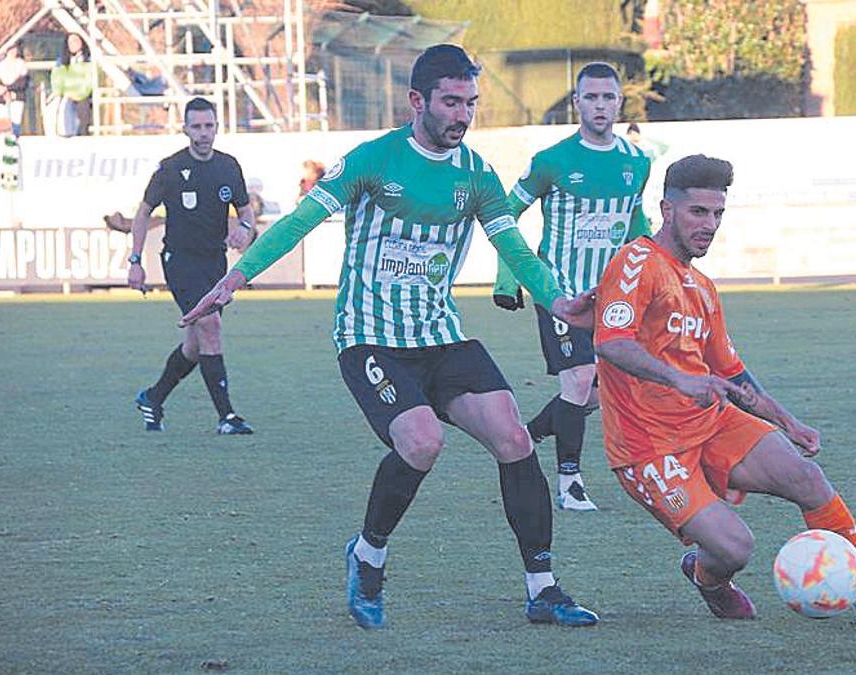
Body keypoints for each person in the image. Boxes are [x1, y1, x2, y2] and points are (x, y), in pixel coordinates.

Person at [177, 44, 599, 629]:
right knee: (423, 443)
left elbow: (516, 250)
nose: (463, 115)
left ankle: (543, 589)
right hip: (370, 337)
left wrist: (558, 302)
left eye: (471, 103)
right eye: (452, 102)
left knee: (515, 438)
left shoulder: (476, 174)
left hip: (441, 335)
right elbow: (301, 219)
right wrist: (234, 279)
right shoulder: (372, 160)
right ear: (417, 101)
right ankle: (369, 553)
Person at [592, 154, 856, 630]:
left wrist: (787, 421)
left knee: (807, 479)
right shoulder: (636, 262)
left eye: (717, 215)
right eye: (698, 213)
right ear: (667, 209)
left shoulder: (703, 286)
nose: (709, 225)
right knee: (734, 548)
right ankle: (708, 577)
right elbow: (610, 342)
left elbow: (732, 373)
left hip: (710, 422)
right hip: (648, 445)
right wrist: (680, 379)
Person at [491, 62, 651, 511]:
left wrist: (656, 274)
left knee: (600, 391)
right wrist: (511, 278)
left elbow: (637, 224)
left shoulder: (638, 162)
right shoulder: (552, 161)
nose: (600, 105)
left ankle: (531, 434)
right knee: (579, 378)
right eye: (591, 97)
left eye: (608, 97)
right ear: (576, 102)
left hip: (610, 298)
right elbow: (505, 214)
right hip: (559, 293)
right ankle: (570, 483)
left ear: (620, 102)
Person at [127, 97, 257, 435]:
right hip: (180, 262)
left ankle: (153, 398)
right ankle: (227, 417)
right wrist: (135, 261)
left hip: (215, 262)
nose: (203, 133)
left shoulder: (229, 166)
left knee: (196, 345)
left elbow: (245, 212)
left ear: (217, 126)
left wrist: (244, 230)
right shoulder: (169, 169)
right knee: (210, 326)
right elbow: (143, 214)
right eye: (196, 127)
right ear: (185, 129)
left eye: (209, 126)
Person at [49, 34, 93, 136]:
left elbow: (89, 79)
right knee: (64, 118)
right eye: (71, 42)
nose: (73, 44)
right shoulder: (62, 61)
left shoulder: (88, 60)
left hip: (82, 95)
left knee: (83, 117)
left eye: (76, 41)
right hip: (67, 95)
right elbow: (57, 78)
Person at [0, 44, 28, 136]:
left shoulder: (21, 64)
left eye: (15, 48)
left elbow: (23, 82)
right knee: (2, 124)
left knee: (15, 124)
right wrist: (1, 89)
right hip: (1, 99)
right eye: (10, 49)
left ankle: (13, 144)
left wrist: (8, 89)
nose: (13, 51)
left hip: (16, 98)